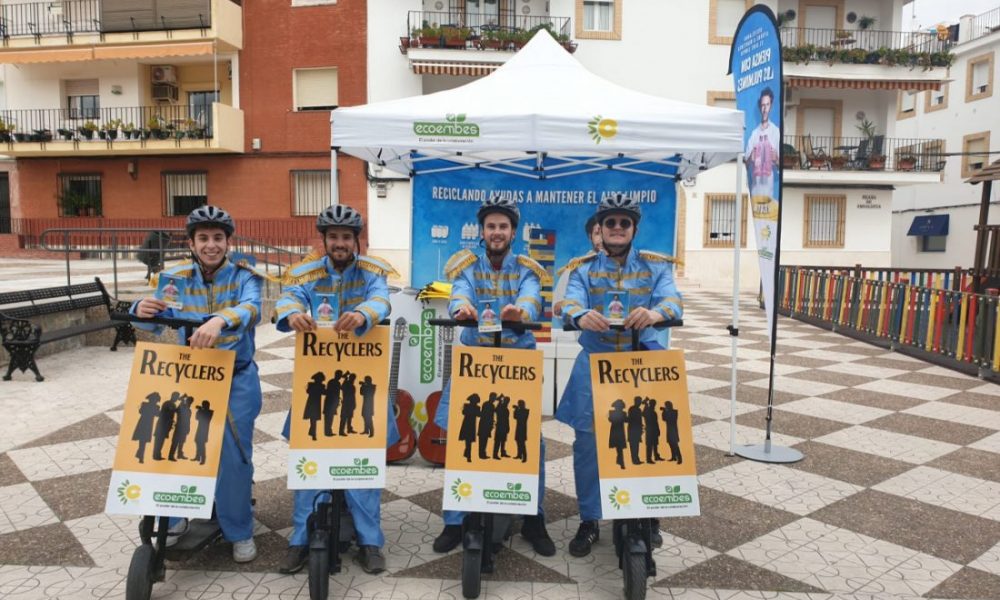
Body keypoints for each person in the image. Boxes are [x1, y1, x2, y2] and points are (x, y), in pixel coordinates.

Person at [132, 205, 265, 563]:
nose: (211, 245)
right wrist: (139, 309)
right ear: (191, 242)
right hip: (188, 376)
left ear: (228, 242)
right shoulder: (173, 277)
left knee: (233, 458)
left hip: (236, 377)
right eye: (203, 238)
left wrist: (221, 320)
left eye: (218, 238)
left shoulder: (244, 275)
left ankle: (238, 529)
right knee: (176, 446)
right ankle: (174, 519)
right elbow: (156, 322)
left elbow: (254, 308)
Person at [275, 203, 400, 576]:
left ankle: (370, 541)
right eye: (334, 237)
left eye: (347, 237)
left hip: (364, 381)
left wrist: (364, 314)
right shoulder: (306, 272)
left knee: (364, 463)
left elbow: (381, 298)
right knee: (308, 462)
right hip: (318, 380)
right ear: (324, 240)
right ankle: (299, 538)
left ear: (356, 240)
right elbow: (289, 296)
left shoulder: (373, 271)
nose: (340, 243)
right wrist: (292, 313)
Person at [557, 194, 683, 557]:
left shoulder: (656, 266)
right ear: (600, 228)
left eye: (623, 223)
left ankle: (646, 511)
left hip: (641, 364)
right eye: (609, 222)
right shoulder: (582, 267)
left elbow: (673, 300)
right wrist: (580, 314)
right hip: (595, 362)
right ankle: (590, 519)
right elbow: (569, 301)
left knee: (647, 438)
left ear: (634, 229)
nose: (616, 228)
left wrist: (657, 315)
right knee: (588, 445)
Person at [431, 195, 555, 557]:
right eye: (491, 226)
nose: (497, 232)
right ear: (482, 232)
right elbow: (459, 294)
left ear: (513, 231)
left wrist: (522, 310)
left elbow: (533, 298)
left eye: (503, 226)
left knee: (533, 441)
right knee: (460, 434)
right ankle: (455, 519)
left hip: (517, 361)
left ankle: (533, 517)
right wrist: (461, 307)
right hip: (476, 361)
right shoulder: (467, 265)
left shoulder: (527, 268)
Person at [553, 215, 603, 318]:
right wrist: (569, 306)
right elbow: (556, 307)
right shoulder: (577, 267)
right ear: (590, 237)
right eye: (598, 234)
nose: (602, 239)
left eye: (606, 233)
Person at [745, 86, 780, 199]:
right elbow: (745, 163)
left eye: (767, 105)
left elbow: (782, 164)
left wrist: (777, 159)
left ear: (771, 106)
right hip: (754, 193)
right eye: (763, 105)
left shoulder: (776, 132)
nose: (765, 109)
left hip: (769, 194)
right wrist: (751, 158)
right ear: (760, 106)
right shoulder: (754, 134)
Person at [133, 392, 160, 464]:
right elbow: (157, 415)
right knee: (143, 440)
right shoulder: (156, 407)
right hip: (148, 424)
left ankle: (139, 454)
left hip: (143, 422)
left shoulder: (144, 404)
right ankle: (141, 457)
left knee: (142, 440)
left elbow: (141, 412)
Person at [169, 395, 193, 461]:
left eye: (191, 402)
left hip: (184, 428)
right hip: (179, 427)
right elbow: (176, 410)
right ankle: (171, 456)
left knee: (181, 442)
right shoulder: (181, 407)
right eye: (189, 401)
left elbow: (188, 420)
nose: (190, 403)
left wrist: (188, 428)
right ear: (187, 401)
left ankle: (179, 454)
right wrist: (183, 398)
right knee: (175, 442)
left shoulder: (189, 410)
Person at [193, 400, 214, 465]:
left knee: (202, 445)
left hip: (204, 431)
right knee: (197, 442)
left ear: (207, 405)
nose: (203, 406)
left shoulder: (210, 412)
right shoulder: (202, 411)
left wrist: (201, 409)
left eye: (204, 405)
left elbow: (205, 417)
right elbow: (197, 418)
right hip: (199, 430)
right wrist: (199, 410)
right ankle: (197, 457)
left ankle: (203, 459)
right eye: (202, 405)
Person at [607, 399, 627, 469]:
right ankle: (621, 461)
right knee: (619, 446)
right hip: (615, 430)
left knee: (619, 447)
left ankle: (620, 460)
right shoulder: (612, 412)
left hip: (620, 431)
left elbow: (626, 420)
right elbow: (610, 419)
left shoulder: (623, 413)